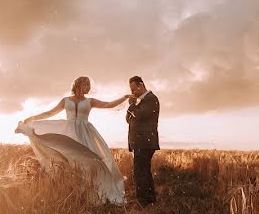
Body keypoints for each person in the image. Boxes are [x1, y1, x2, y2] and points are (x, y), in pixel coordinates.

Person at [15, 76, 130, 204]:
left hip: (85, 133)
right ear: (80, 85)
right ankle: (76, 193)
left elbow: (108, 104)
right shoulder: (65, 101)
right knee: (72, 161)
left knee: (90, 161)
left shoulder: (90, 101)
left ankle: (97, 193)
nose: (89, 88)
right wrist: (32, 118)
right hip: (69, 132)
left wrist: (124, 98)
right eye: (87, 85)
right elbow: (50, 113)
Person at [126, 76, 159, 205]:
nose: (132, 92)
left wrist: (133, 105)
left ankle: (142, 202)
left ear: (141, 85)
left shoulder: (151, 99)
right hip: (139, 142)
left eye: (134, 89)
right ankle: (150, 200)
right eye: (131, 90)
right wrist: (133, 106)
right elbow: (128, 119)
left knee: (140, 172)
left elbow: (139, 115)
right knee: (144, 171)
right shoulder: (140, 101)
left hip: (145, 141)